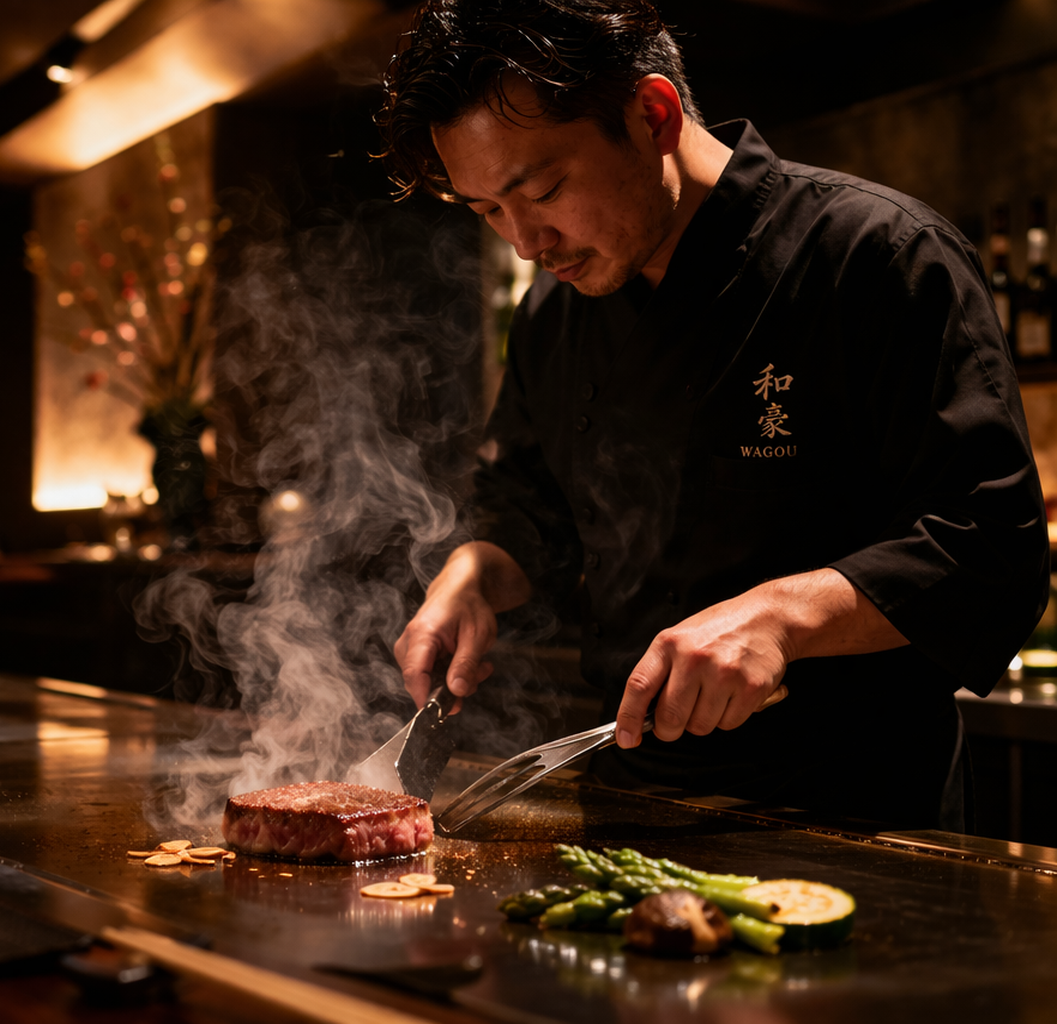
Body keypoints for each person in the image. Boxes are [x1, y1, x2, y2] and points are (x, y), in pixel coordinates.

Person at [381, 0, 1049, 829]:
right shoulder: (556, 312)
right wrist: (476, 574)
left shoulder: (877, 257)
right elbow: (532, 509)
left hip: (860, 811)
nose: (525, 243)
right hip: (630, 799)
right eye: (487, 211)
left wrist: (782, 617)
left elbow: (992, 548)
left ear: (653, 114)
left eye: (543, 189)